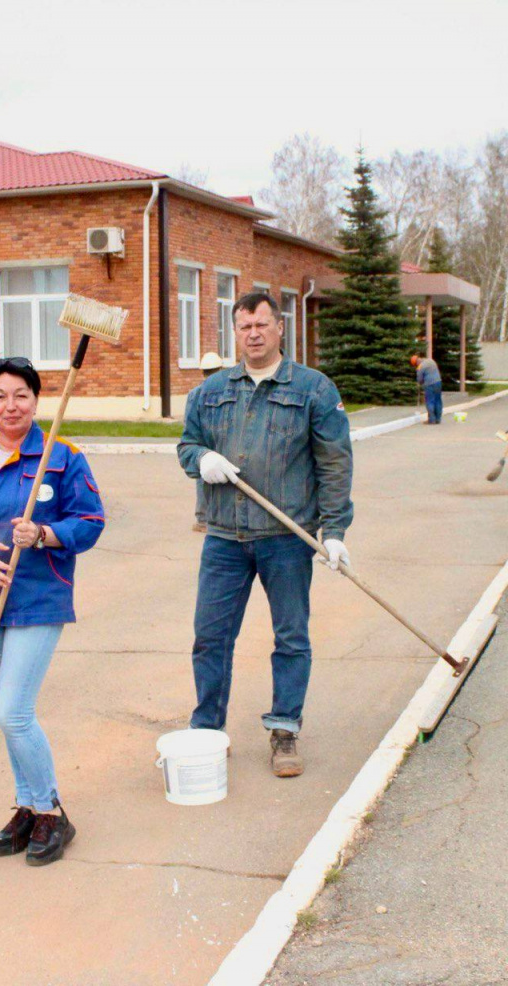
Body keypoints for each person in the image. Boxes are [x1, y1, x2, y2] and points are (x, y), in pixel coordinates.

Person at [177, 293, 353, 778]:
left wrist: (335, 531)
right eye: (244, 326)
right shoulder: (210, 391)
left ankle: (285, 729)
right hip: (224, 537)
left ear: (279, 327)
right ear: (235, 332)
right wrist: (201, 459)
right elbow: (187, 444)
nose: (253, 333)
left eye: (261, 324)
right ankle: (207, 729)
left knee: (291, 637)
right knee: (211, 637)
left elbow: (334, 463)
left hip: (287, 538)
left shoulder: (313, 389)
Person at [0, 354, 105, 865]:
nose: (10, 405)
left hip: (39, 600)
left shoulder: (62, 457)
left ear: (37, 401)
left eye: (21, 395)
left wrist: (43, 534)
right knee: (10, 716)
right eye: (0, 396)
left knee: (12, 713)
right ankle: (27, 807)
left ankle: (53, 812)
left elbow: (91, 521)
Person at [191, 352, 225, 533]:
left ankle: (202, 519)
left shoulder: (194, 393)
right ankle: (218, 518)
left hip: (201, 441)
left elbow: (189, 421)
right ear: (220, 369)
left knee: (202, 479)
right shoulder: (224, 391)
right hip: (219, 440)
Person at [411, 354, 443, 424]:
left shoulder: (420, 367)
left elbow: (420, 379)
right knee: (438, 400)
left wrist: (420, 383)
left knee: (430, 401)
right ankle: (438, 419)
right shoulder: (431, 360)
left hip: (429, 384)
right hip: (438, 382)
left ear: (416, 363)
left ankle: (432, 420)